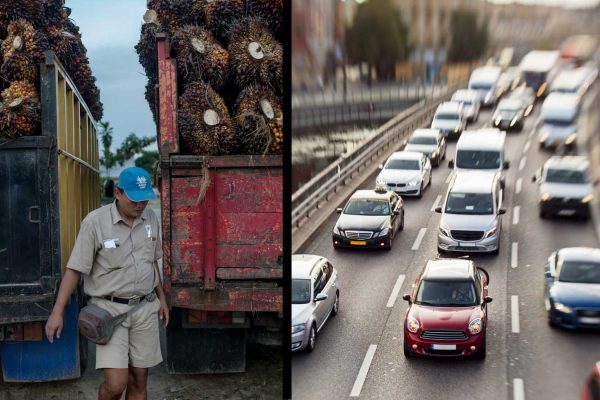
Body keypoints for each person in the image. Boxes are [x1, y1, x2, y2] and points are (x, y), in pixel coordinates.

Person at [45, 167, 169, 400]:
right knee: (115, 384)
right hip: (108, 312)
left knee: (140, 379)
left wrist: (162, 299)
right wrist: (57, 312)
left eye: (144, 199)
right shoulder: (95, 222)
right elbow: (74, 270)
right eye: (135, 199)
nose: (141, 205)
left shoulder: (150, 217)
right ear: (119, 193)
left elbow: (151, 262)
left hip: (144, 308)